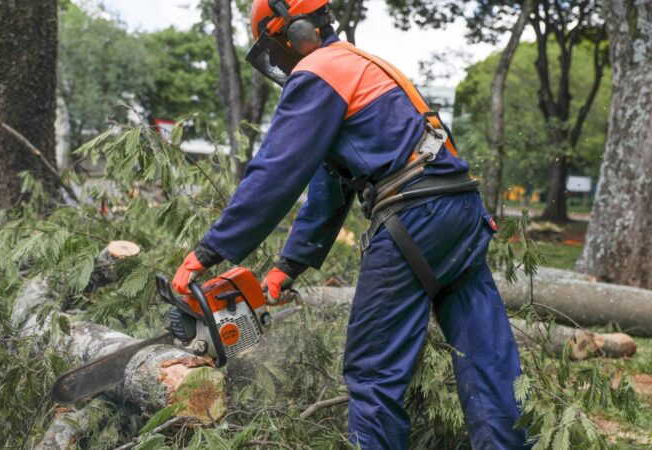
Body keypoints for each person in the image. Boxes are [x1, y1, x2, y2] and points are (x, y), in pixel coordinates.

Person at [173, 1, 527, 448]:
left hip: (415, 213)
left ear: (296, 32)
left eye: (276, 47)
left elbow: (276, 172)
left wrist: (209, 251)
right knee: (487, 356)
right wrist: (289, 265)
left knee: (373, 370)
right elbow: (330, 186)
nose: (280, 60)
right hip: (460, 208)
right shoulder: (357, 65)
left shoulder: (319, 71)